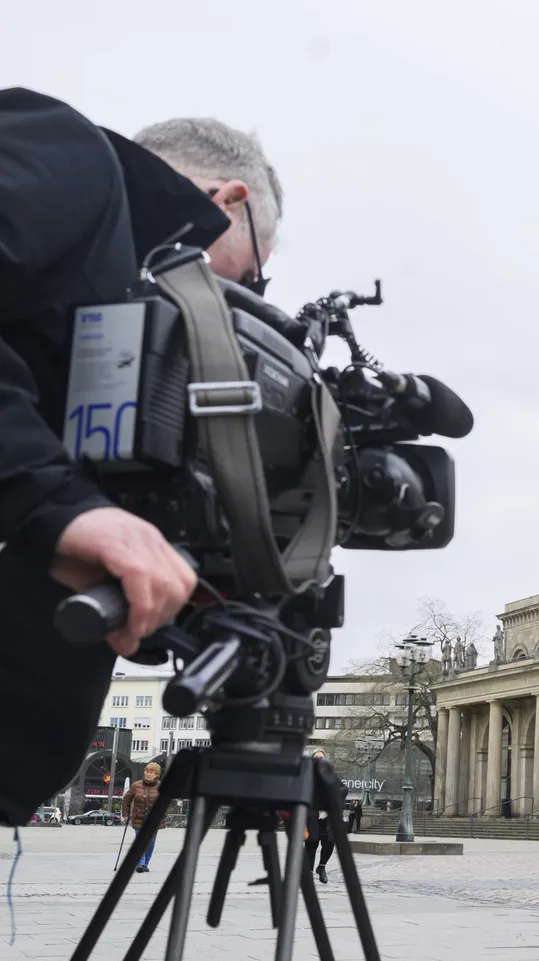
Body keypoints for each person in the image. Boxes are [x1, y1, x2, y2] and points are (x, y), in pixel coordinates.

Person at [0, 89, 283, 827]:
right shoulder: (72, 156)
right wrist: (52, 500)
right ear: (229, 201)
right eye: (251, 276)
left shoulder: (116, 305)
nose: (242, 300)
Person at [120, 763, 169, 872]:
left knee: (150, 843)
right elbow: (126, 800)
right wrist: (126, 814)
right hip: (138, 818)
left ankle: (145, 863)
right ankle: (140, 863)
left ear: (156, 775)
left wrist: (162, 814)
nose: (148, 774)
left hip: (154, 819)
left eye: (151, 772)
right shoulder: (136, 785)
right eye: (147, 771)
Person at [304, 750, 338, 883]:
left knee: (329, 843)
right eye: (316, 757)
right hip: (311, 816)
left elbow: (342, 789)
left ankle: (321, 867)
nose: (319, 760)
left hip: (327, 818)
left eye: (321, 758)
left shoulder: (330, 775)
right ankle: (309, 872)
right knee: (311, 844)